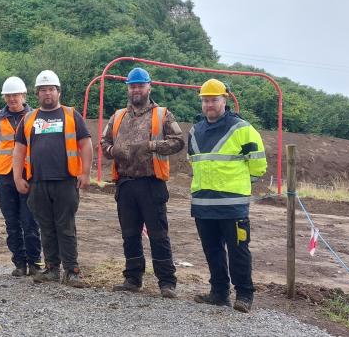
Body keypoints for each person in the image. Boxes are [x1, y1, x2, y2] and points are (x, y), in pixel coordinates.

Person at [100, 67, 184, 297]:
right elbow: (103, 142)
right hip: (125, 184)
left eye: (140, 85)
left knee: (158, 235)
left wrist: (152, 146)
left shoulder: (162, 114)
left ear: (149, 87)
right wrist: (111, 150)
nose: (136, 89)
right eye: (132, 86)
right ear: (128, 88)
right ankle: (133, 279)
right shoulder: (118, 116)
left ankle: (167, 282)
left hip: (151, 183)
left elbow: (178, 141)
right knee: (129, 234)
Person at [188, 78, 267, 313]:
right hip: (203, 204)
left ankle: (244, 294)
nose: (209, 104)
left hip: (233, 206)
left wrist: (240, 184)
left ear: (225, 100)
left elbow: (258, 166)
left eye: (213, 100)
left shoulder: (243, 129)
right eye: (205, 100)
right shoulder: (195, 131)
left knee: (238, 250)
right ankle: (219, 293)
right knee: (212, 250)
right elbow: (194, 163)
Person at [12, 70, 93, 288]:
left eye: (51, 89)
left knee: (65, 226)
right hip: (37, 182)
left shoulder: (71, 115)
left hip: (66, 181)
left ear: (58, 92)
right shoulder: (28, 118)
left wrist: (85, 173)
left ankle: (72, 270)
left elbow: (85, 144)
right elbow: (19, 150)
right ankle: (51, 268)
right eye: (43, 90)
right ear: (37, 94)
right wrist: (17, 177)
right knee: (46, 227)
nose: (47, 93)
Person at [0, 76, 41, 277]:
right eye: (8, 95)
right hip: (4, 175)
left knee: (30, 222)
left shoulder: (35, 116)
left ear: (23, 95)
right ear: (4, 97)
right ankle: (19, 263)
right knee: (11, 223)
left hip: (28, 174)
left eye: (15, 95)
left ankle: (35, 263)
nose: (12, 99)